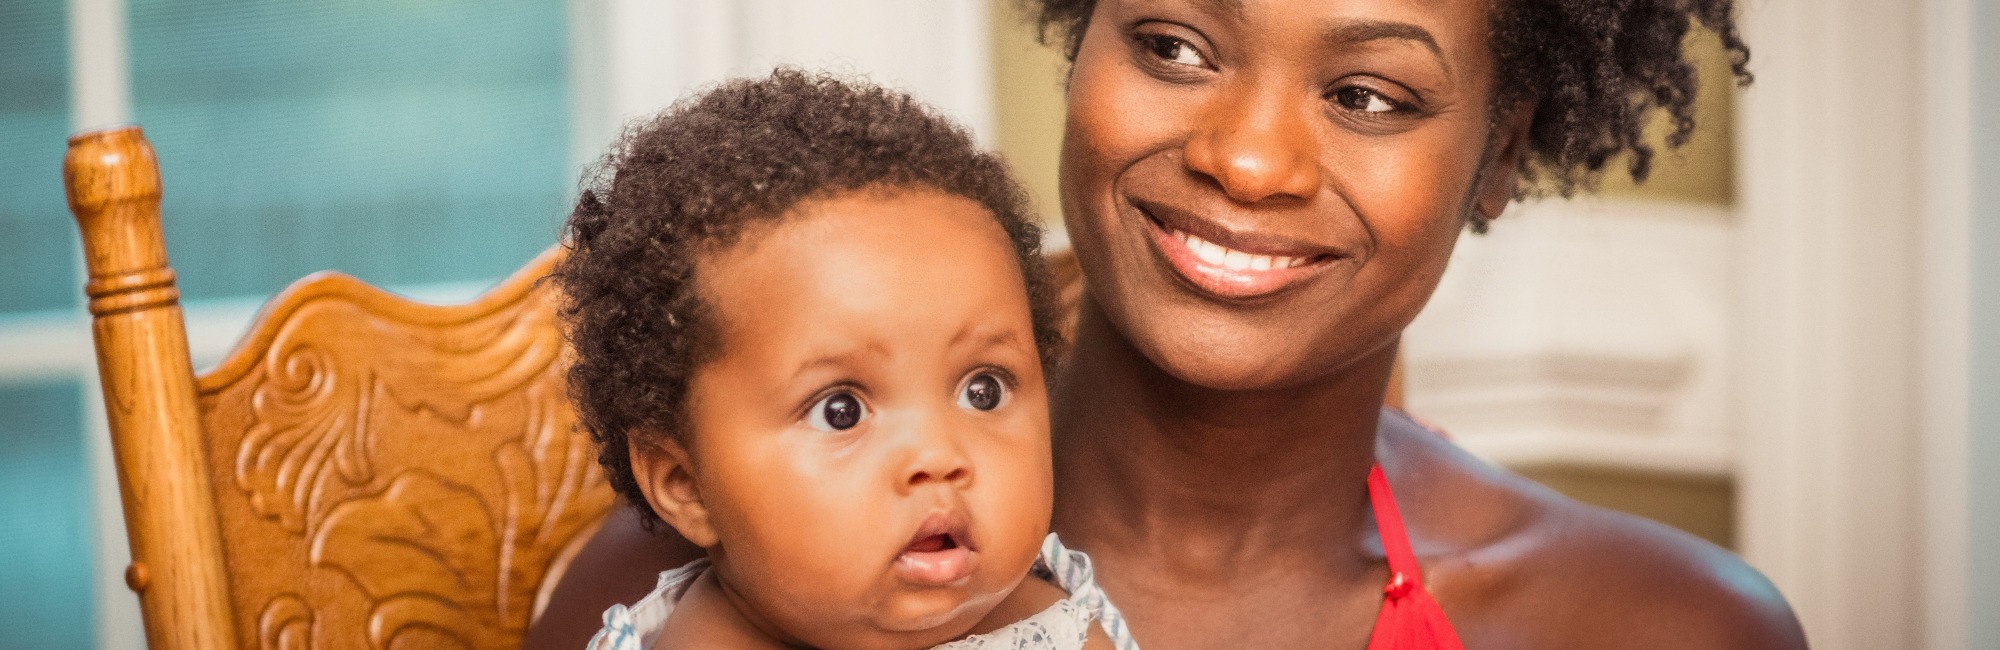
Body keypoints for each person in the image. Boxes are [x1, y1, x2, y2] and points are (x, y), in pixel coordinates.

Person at [530, 0, 1810, 647]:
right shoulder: (697, 588)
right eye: (1175, 46)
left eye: (1367, 94)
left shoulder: (1653, 626)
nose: (1247, 160)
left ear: (1495, 155)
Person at [552, 70, 1120, 649]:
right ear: (686, 485)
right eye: (841, 411)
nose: (938, 456)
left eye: (984, 391)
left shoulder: (1060, 625)